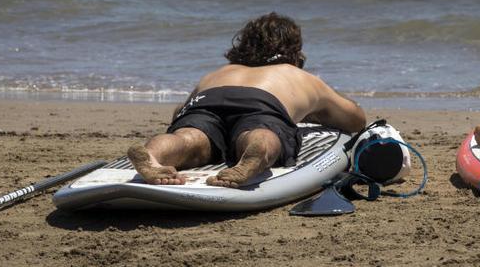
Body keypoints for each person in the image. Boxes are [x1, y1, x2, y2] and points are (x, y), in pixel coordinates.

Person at [128, 12, 366, 188]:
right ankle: (258, 150)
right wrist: (314, 109)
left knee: (189, 137)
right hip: (262, 103)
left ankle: (152, 155)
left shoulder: (221, 72)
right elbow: (355, 119)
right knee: (260, 132)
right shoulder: (297, 75)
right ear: (295, 50)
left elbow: (179, 113)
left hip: (207, 100)